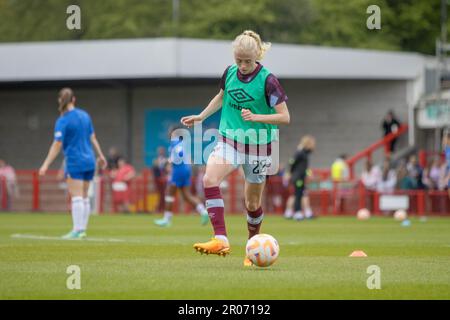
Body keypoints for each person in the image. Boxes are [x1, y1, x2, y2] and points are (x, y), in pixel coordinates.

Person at [181, 30, 290, 266]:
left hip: (259, 146)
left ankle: (252, 248)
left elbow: (284, 117)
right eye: (238, 60)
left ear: (258, 56)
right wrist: (201, 116)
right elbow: (221, 97)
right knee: (210, 179)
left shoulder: (269, 81)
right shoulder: (229, 73)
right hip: (230, 139)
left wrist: (256, 117)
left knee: (252, 204)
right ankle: (220, 238)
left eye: (248, 61)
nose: (242, 66)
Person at [39, 88, 107, 239]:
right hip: (90, 161)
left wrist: (45, 164)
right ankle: (82, 229)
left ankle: (77, 230)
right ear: (74, 99)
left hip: (75, 161)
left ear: (60, 101)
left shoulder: (63, 120)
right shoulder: (85, 115)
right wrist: (101, 155)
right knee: (84, 197)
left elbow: (57, 145)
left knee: (76, 197)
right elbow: (93, 137)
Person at [153, 126, 209, 227]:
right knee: (186, 195)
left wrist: (169, 160)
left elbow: (180, 153)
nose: (169, 133)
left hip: (179, 170)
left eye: (170, 132)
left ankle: (167, 219)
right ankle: (203, 211)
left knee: (169, 193)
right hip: (185, 169)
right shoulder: (181, 143)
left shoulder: (176, 143)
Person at [283, 135, 316, 221]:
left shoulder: (304, 153)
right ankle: (297, 213)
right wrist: (288, 173)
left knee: (298, 194)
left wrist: (308, 174)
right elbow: (291, 162)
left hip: (300, 177)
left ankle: (294, 212)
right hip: (297, 177)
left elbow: (303, 167)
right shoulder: (300, 152)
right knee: (298, 195)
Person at [152, 146, 169, 212]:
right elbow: (154, 170)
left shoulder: (166, 159)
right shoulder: (155, 160)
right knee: (160, 194)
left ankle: (162, 208)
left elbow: (167, 169)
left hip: (165, 179)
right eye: (160, 151)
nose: (161, 152)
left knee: (164, 194)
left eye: (162, 151)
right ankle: (160, 208)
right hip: (158, 180)